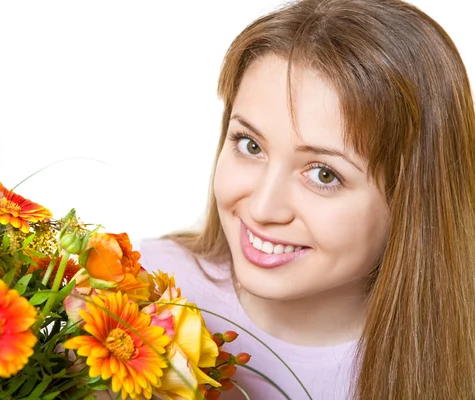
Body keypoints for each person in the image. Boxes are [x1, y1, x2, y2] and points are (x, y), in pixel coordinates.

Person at [137, 0, 475, 399]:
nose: (262, 209)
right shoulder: (137, 291)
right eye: (250, 145)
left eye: (323, 174)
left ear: (414, 200)